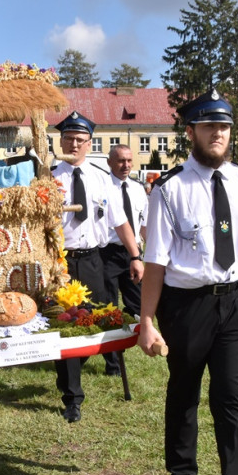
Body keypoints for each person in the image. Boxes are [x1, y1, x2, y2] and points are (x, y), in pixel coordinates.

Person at [137, 89, 238, 475]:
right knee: (184, 391)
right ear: (191, 131)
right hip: (187, 305)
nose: (218, 134)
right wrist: (146, 321)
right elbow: (155, 262)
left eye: (225, 127)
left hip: (236, 301)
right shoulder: (169, 190)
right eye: (209, 126)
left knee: (231, 397)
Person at [51, 111, 143, 422]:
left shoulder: (102, 179)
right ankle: (72, 397)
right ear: (60, 141)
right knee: (64, 327)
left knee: (99, 316)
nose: (74, 144)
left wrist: (135, 255)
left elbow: (120, 221)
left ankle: (112, 364)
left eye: (80, 140)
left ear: (90, 144)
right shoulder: (48, 179)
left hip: (93, 260)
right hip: (59, 263)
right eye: (68, 139)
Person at [99, 144, 147, 375]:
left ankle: (133, 337)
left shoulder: (138, 189)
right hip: (106, 253)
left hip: (132, 253)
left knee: (139, 304)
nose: (125, 165)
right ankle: (113, 363)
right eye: (120, 161)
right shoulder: (100, 188)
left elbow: (143, 223)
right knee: (109, 308)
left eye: (129, 160)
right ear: (109, 162)